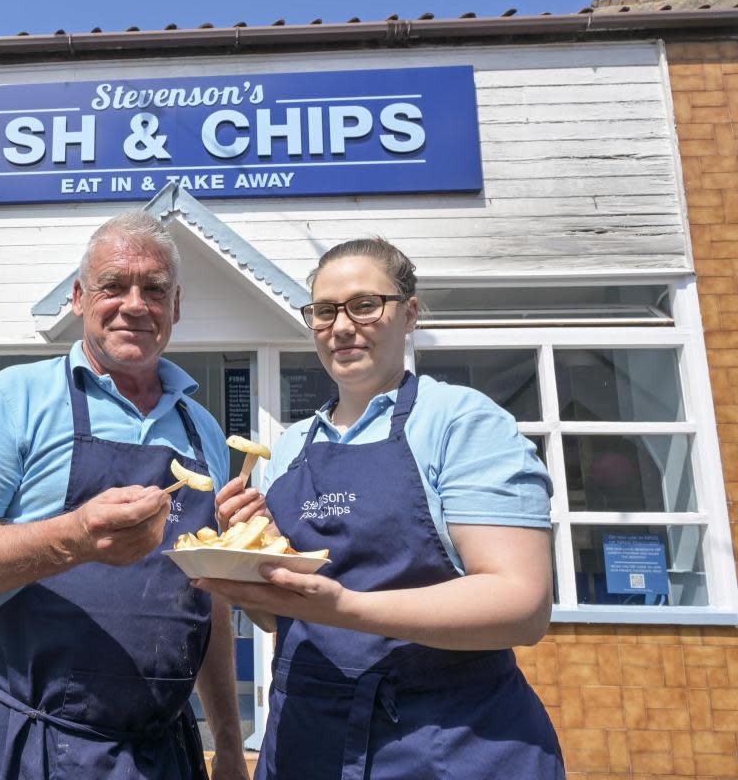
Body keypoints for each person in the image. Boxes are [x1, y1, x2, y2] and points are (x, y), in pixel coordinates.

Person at [200, 238, 565, 779]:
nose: (342, 326)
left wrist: (343, 607)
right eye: (324, 311)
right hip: (306, 742)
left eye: (365, 305)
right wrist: (251, 559)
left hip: (447, 745)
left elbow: (521, 603)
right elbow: (274, 615)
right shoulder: (287, 448)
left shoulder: (460, 423)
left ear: (410, 313)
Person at [0, 210, 258, 780]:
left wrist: (226, 737)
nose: (134, 304)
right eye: (113, 286)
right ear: (78, 298)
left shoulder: (204, 431)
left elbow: (208, 597)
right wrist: (74, 538)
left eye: (155, 290)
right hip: (17, 746)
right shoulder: (15, 398)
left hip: (159, 755)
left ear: (176, 307)